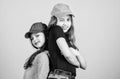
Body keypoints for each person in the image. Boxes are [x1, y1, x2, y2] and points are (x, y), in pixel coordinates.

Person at [47, 3, 87, 79]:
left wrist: (76, 53)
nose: (65, 23)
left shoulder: (68, 40)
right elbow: (68, 56)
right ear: (55, 21)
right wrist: (77, 63)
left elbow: (84, 66)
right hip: (60, 76)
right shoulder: (56, 29)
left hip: (67, 76)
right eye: (61, 20)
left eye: (68, 20)